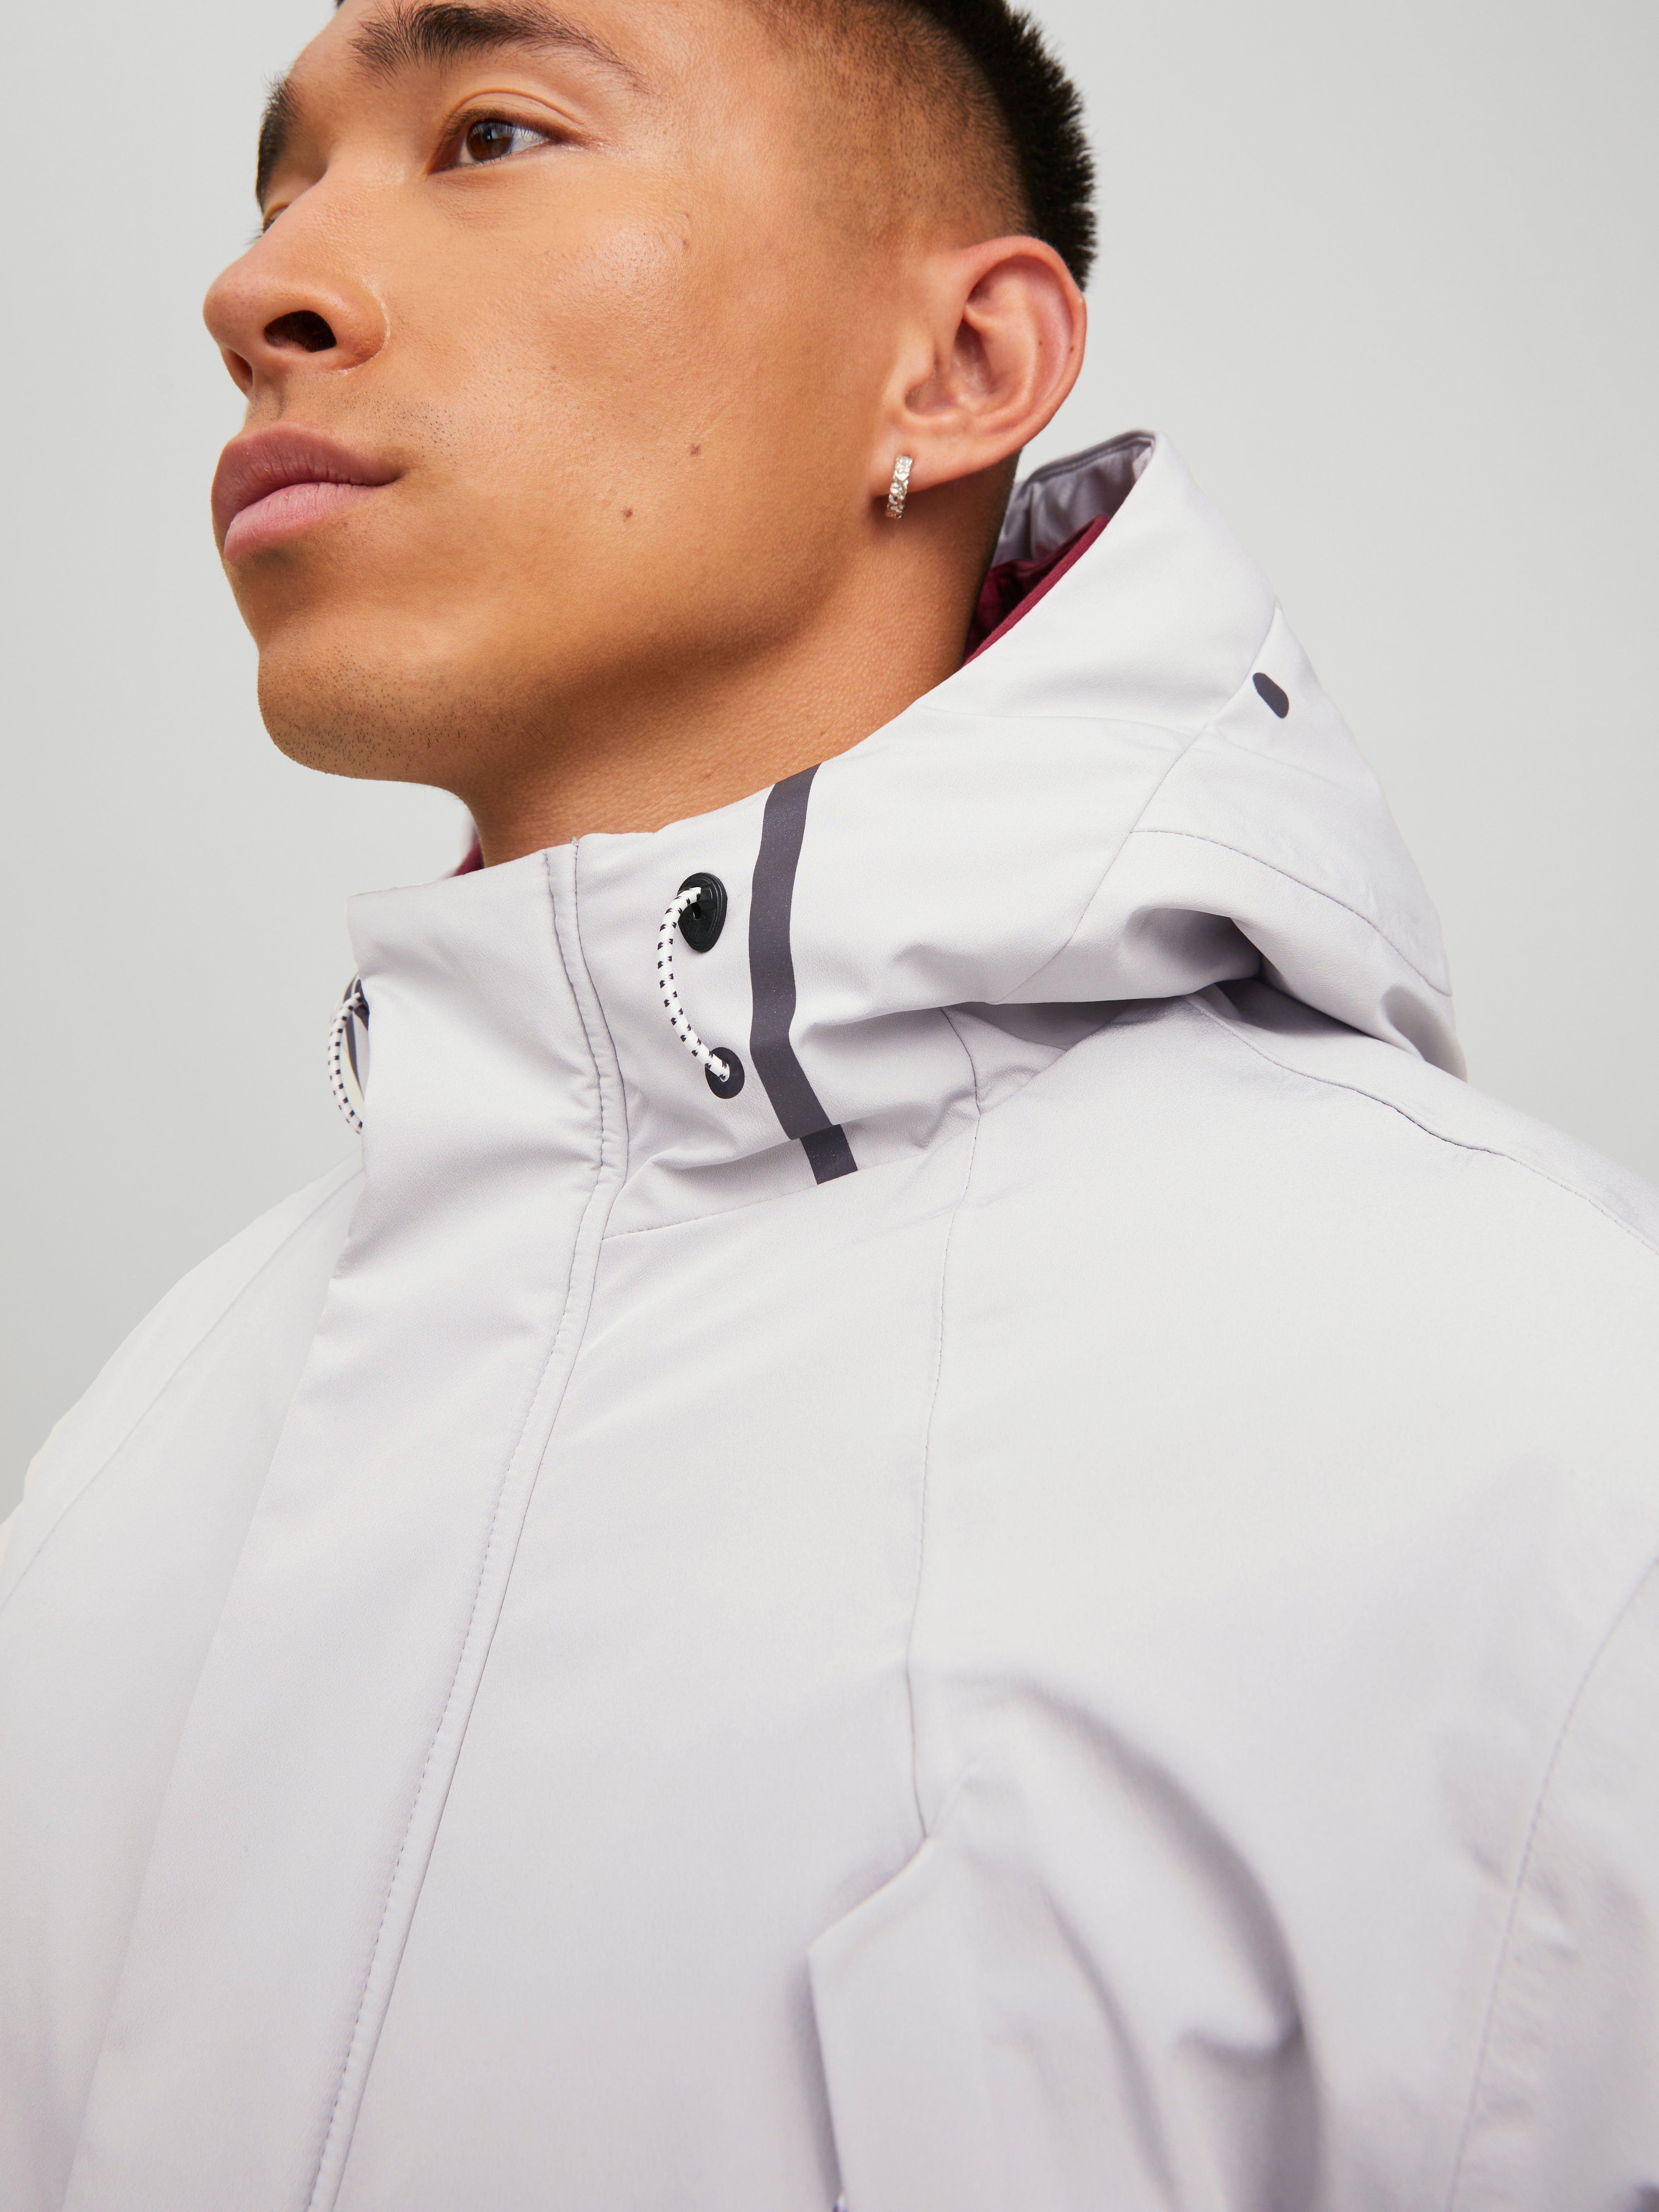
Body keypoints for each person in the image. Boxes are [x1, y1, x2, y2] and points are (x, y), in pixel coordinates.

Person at [2, 0, 1656, 2202]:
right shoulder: (129, 1460)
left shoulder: (1543, 1419)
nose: (257, 290)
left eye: (491, 135)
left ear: (958, 366)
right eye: (280, 184)